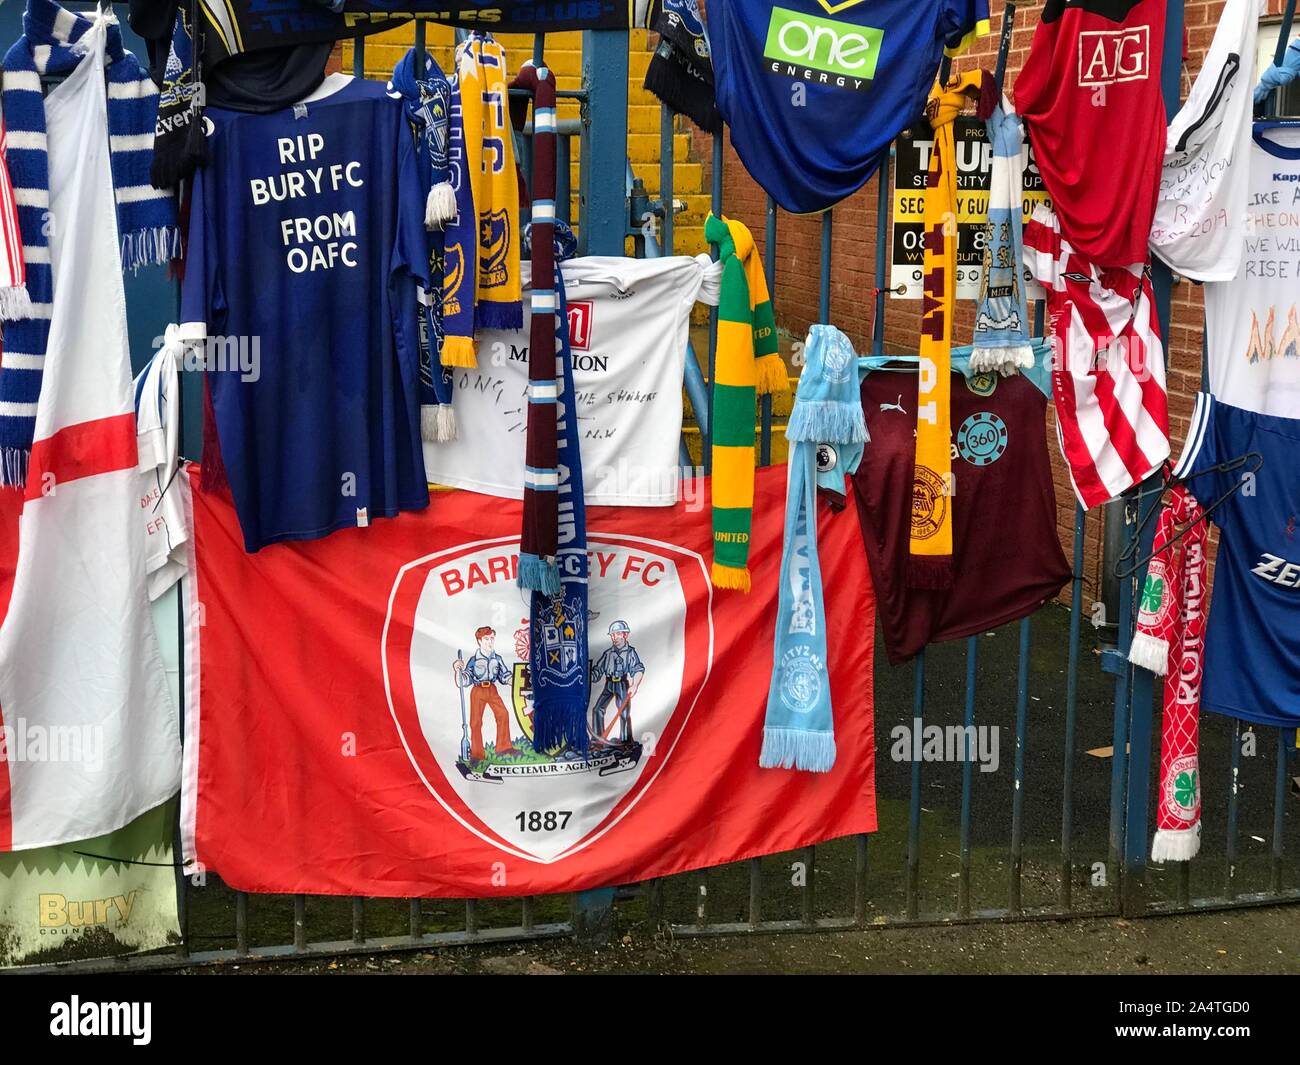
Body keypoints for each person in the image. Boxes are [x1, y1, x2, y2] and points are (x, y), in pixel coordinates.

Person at [454, 626, 519, 761]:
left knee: (503, 714)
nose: (490, 642)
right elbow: (464, 680)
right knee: (475, 722)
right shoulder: (474, 660)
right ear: (479, 641)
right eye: (486, 639)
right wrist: (457, 671)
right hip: (478, 691)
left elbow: (505, 676)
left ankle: (504, 748)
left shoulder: (497, 658)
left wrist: (516, 682)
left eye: (492, 639)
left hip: (492, 689)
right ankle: (477, 755)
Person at [588, 621, 645, 745]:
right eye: (612, 635)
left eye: (617, 634)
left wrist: (634, 685)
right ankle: (597, 740)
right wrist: (588, 676)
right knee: (598, 709)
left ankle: (625, 741)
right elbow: (598, 671)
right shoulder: (608, 654)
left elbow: (638, 669)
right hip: (609, 684)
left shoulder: (630, 653)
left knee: (624, 713)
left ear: (625, 635)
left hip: (622, 684)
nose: (614, 637)